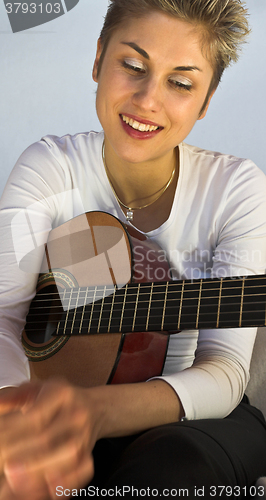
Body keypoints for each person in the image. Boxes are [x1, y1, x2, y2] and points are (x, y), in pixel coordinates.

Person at [1, 0, 266, 498]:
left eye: (181, 83)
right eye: (133, 66)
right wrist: (19, 412)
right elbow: (5, 317)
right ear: (98, 60)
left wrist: (94, 413)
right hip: (48, 403)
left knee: (169, 471)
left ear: (206, 100)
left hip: (190, 419)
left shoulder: (237, 189)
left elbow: (226, 369)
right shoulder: (49, 167)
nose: (147, 100)